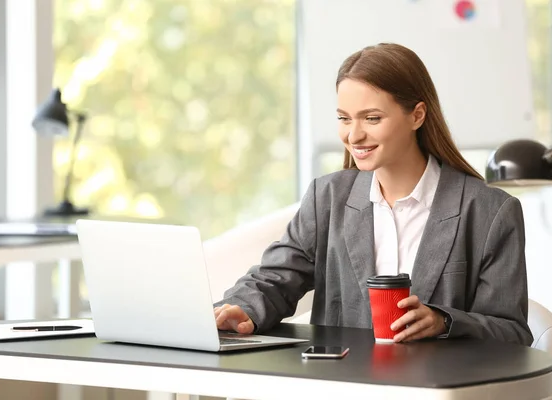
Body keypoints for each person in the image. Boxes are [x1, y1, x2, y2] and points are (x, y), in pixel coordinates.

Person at [213, 43, 533, 346]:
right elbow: (275, 279)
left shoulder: (490, 211)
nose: (354, 135)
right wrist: (242, 309)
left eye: (372, 118)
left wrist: (444, 322)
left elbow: (512, 332)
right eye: (344, 118)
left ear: (417, 115)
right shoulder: (327, 197)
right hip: (345, 385)